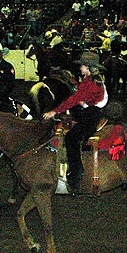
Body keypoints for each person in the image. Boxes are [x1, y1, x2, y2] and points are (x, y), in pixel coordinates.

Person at [43, 52, 108, 194]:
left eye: (82, 66)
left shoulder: (91, 83)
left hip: (91, 115)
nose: (80, 68)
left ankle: (76, 173)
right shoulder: (89, 80)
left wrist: (54, 112)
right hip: (89, 112)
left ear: (89, 68)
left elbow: (74, 99)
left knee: (71, 138)